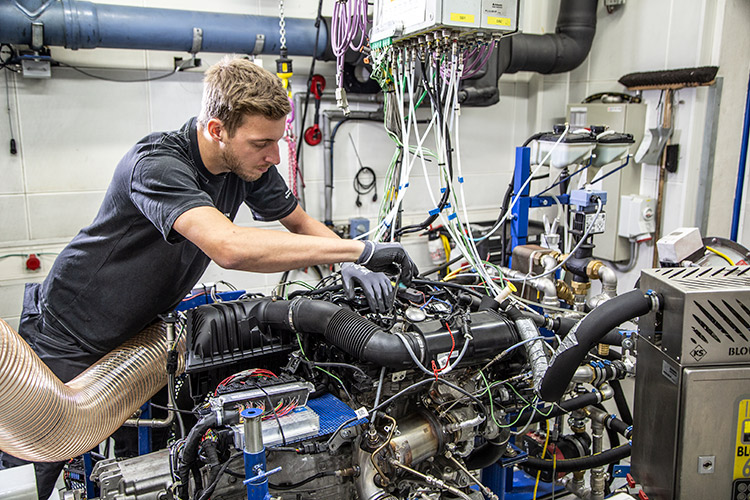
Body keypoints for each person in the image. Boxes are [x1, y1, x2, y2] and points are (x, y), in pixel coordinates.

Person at [0, 56, 417, 500]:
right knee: (36, 470)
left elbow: (298, 221)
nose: (274, 156)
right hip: (68, 336)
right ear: (217, 130)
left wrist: (347, 263)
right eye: (263, 143)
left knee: (141, 468)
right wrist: (361, 249)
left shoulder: (246, 165)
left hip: (138, 337)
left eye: (278, 141)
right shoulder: (157, 164)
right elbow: (230, 246)